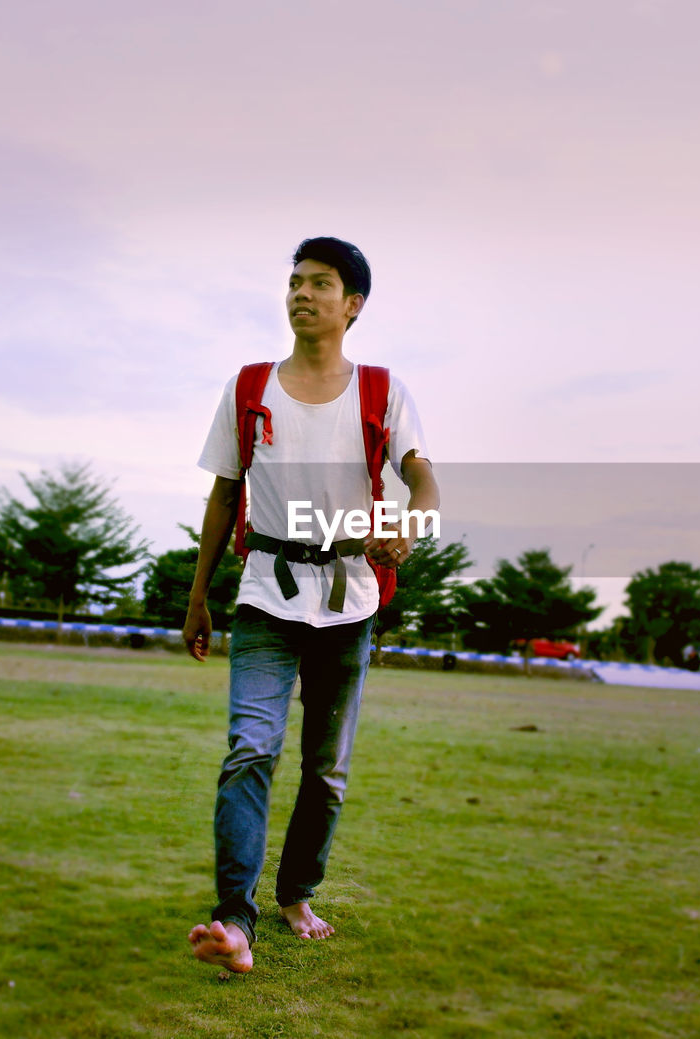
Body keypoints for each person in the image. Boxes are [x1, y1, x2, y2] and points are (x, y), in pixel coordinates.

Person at [184, 237, 440, 974]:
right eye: (294, 281)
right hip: (264, 594)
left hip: (348, 601)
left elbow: (424, 483)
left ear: (351, 305)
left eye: (319, 283)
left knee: (326, 770)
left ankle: (298, 892)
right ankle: (234, 919)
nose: (301, 293)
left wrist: (407, 527)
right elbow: (224, 493)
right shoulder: (248, 386)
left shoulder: (382, 391)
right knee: (249, 749)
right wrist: (199, 597)